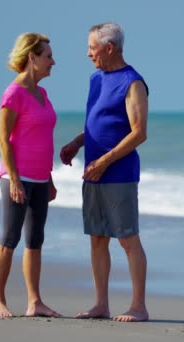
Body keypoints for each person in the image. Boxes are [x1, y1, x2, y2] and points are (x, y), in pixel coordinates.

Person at [60, 22, 149, 322]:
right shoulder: (95, 80)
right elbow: (98, 122)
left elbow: (138, 133)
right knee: (97, 238)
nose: (88, 54)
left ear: (109, 47)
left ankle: (138, 306)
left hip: (118, 173)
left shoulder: (133, 82)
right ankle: (101, 304)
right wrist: (76, 142)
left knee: (127, 239)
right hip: (93, 172)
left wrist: (105, 161)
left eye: (92, 47)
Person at [0, 32, 61, 318]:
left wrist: (50, 178)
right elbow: (3, 140)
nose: (52, 62)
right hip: (16, 178)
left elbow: (42, 139)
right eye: (48, 56)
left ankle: (35, 302)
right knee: (9, 238)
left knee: (35, 239)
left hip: (41, 178)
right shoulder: (14, 93)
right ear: (32, 57)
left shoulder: (41, 93)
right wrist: (15, 179)